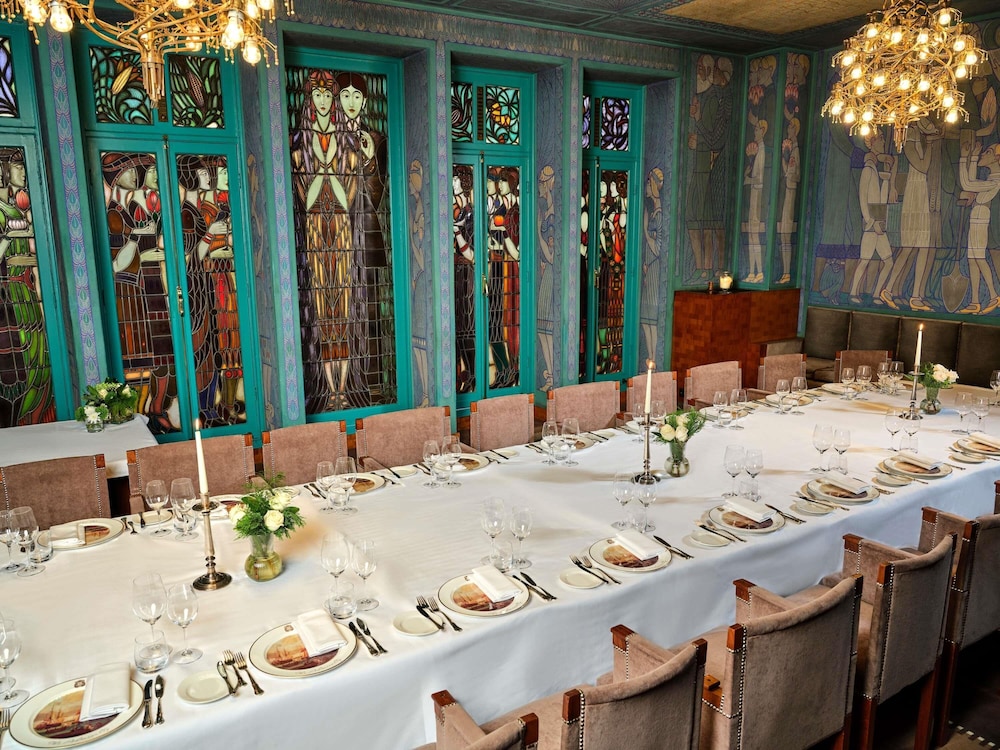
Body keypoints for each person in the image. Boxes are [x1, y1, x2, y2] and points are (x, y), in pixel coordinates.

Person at [0, 148, 52, 427]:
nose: (23, 172)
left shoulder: (17, 209)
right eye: (17, 167)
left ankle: (34, 418)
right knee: (17, 368)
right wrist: (9, 238)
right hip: (7, 300)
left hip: (27, 294)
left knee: (38, 361)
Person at [848, 130, 895, 303]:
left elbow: (881, 200)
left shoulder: (874, 168)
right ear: (873, 143)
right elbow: (863, 197)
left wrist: (887, 180)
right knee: (865, 260)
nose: (883, 143)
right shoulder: (868, 169)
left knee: (888, 261)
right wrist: (870, 221)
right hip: (871, 223)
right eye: (881, 139)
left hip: (878, 220)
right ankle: (853, 293)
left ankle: (876, 295)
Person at [957, 140, 1000, 314]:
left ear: (997, 158)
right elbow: (972, 182)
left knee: (979, 258)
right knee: (972, 259)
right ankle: (975, 301)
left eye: (987, 152)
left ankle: (994, 296)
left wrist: (964, 159)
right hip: (976, 216)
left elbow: (968, 184)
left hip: (982, 217)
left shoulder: (996, 180)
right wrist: (973, 157)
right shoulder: (990, 179)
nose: (984, 153)